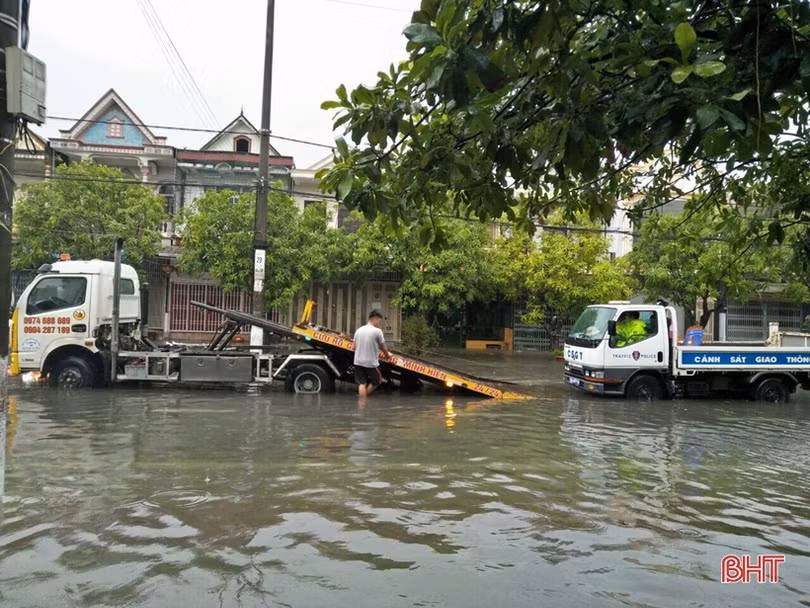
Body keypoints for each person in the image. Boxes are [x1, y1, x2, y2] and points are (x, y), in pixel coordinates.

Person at [353, 310, 391, 399]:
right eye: (380, 322)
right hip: (371, 363)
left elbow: (353, 347)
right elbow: (383, 347)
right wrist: (387, 355)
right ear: (376, 319)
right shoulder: (377, 331)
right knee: (377, 381)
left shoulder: (359, 330)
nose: (379, 324)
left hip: (358, 362)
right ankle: (364, 398)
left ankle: (361, 405)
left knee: (362, 383)